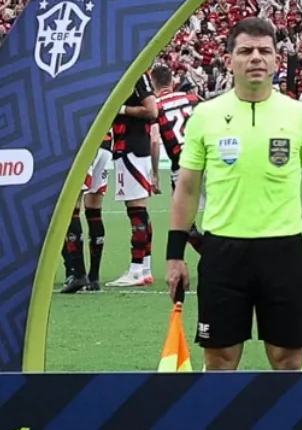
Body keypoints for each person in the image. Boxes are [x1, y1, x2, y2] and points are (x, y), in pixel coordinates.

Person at [166, 17, 302, 372]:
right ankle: (221, 428)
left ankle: (287, 429)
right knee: (219, 360)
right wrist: (174, 255)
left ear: (276, 59)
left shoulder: (300, 116)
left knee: (288, 359)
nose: (256, 58)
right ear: (228, 60)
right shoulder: (205, 115)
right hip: (222, 253)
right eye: (245, 51)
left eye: (265, 51)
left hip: (284, 251)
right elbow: (186, 187)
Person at [105, 75, 159, 288]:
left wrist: (120, 110)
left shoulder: (135, 75)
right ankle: (144, 268)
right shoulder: (134, 75)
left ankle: (136, 269)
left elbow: (151, 110)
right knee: (140, 210)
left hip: (131, 148)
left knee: (135, 210)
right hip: (131, 147)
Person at [151, 64, 205, 256]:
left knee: (185, 222)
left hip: (182, 167)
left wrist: (155, 174)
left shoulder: (155, 107)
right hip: (208, 162)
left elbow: (155, 139)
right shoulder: (193, 98)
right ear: (172, 81)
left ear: (153, 83)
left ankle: (214, 257)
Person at [61, 130, 113, 293]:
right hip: (104, 142)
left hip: (82, 142)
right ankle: (94, 277)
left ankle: (78, 274)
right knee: (94, 208)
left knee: (70, 206)